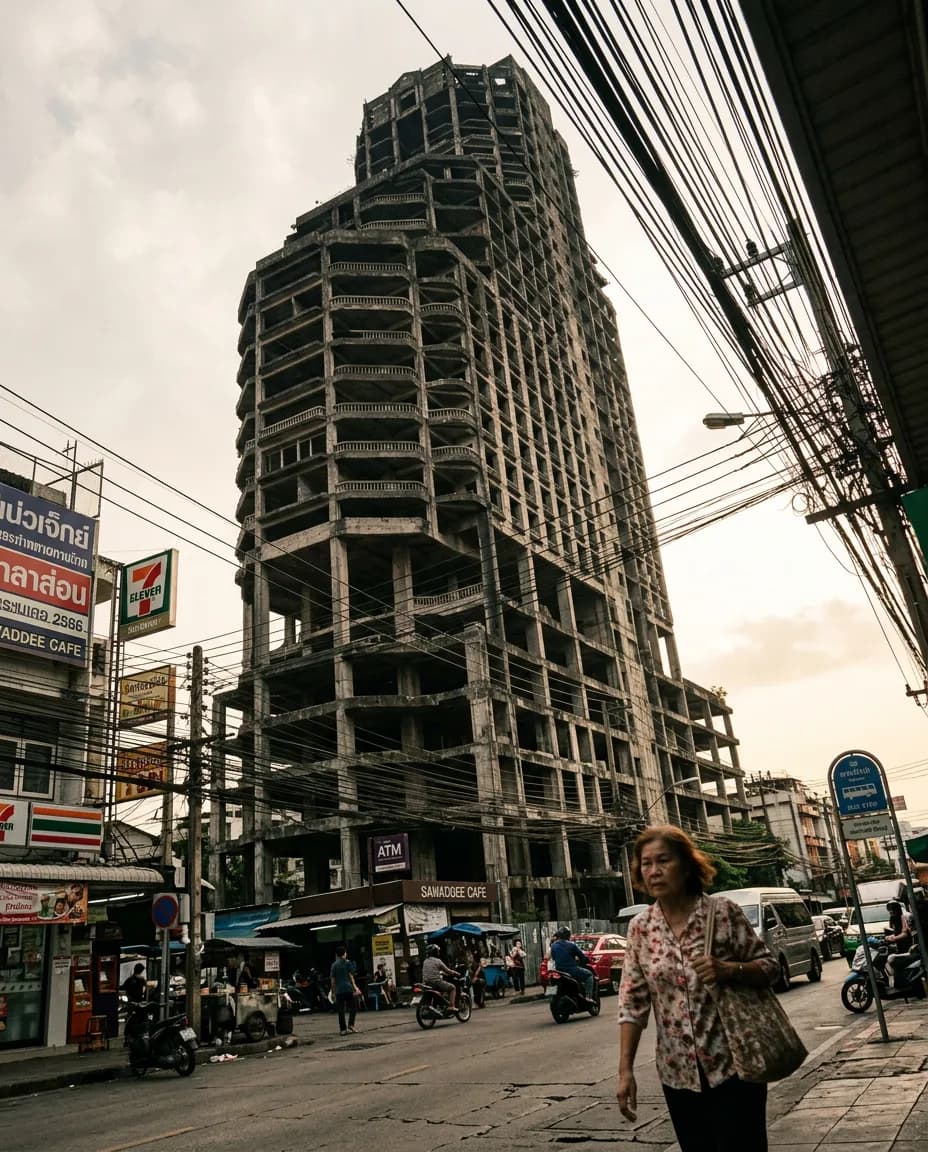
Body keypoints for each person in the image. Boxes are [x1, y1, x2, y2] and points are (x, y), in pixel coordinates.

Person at [616, 824, 779, 1152]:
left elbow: (769, 968)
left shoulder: (722, 913)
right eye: (646, 864)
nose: (654, 871)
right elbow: (632, 1003)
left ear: (687, 864)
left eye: (663, 861)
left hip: (735, 1064)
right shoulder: (640, 929)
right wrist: (625, 1071)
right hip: (678, 1073)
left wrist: (729, 969)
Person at [550, 927, 595, 1000]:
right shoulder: (572, 945)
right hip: (571, 970)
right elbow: (582, 956)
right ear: (568, 935)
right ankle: (588, 996)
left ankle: (552, 995)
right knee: (589, 975)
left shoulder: (553, 946)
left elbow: (554, 957)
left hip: (558, 970)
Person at [330, 945, 361, 1035]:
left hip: (339, 991)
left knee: (341, 1010)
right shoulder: (347, 962)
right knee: (354, 1007)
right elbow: (351, 976)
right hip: (348, 989)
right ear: (344, 954)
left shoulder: (334, 965)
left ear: (337, 954)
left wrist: (333, 992)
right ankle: (351, 1025)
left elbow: (333, 980)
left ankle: (343, 1030)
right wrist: (355, 988)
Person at [885, 899, 916, 986]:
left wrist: (894, 938)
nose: (891, 911)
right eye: (890, 910)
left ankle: (903, 984)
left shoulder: (903, 917)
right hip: (899, 944)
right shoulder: (892, 918)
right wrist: (890, 937)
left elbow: (905, 933)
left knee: (896, 962)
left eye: (893, 909)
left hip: (908, 944)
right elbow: (893, 930)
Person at [421, 944, 458, 1011]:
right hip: (436, 983)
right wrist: (455, 973)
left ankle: (439, 1003)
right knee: (453, 988)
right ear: (435, 952)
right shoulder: (438, 961)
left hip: (426, 983)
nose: (438, 952)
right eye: (437, 951)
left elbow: (433, 970)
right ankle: (452, 1006)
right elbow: (448, 970)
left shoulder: (425, 961)